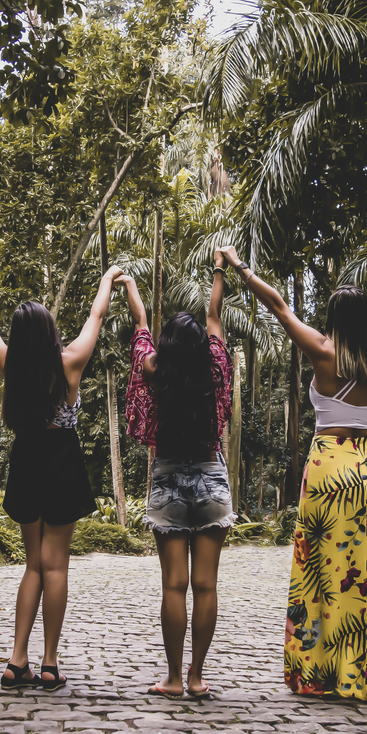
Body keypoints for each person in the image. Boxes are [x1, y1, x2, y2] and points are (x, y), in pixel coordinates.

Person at [216, 247, 367, 704]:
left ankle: (319, 673)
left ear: (335, 319)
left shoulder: (322, 350)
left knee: (321, 571)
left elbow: (279, 306)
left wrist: (240, 267)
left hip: (327, 471)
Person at [0, 266, 123, 691]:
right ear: (50, 332)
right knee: (56, 566)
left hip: (27, 460)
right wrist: (107, 280)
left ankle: (16, 661)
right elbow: (96, 316)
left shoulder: (10, 363)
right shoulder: (71, 362)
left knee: (33, 565)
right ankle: (49, 664)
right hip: (62, 459)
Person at [120, 249, 236, 700]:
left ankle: (171, 678)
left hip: (167, 477)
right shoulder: (215, 366)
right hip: (211, 476)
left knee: (174, 585)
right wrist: (219, 269)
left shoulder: (154, 369)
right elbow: (215, 315)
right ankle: (197, 677)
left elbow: (141, 329)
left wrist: (131, 288)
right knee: (206, 586)